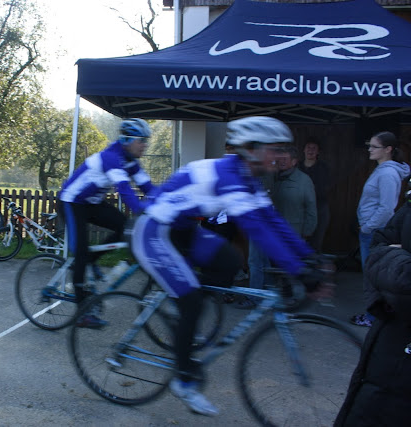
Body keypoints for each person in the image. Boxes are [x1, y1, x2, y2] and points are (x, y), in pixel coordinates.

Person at [131, 116, 330, 416]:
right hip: (154, 231)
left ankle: (185, 305)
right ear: (251, 149)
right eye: (274, 148)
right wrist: (299, 270)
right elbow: (258, 230)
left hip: (182, 229)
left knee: (230, 260)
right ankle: (183, 381)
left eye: (281, 149)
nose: (279, 155)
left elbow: (274, 221)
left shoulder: (248, 178)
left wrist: (307, 257)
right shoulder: (229, 177)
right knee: (191, 301)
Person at [59, 118, 156, 328]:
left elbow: (149, 189)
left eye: (146, 141)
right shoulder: (111, 158)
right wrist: (144, 212)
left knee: (126, 227)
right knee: (81, 252)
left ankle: (90, 260)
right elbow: (125, 191)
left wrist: (168, 206)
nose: (145, 145)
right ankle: (82, 311)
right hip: (72, 202)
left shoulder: (131, 161)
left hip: (92, 202)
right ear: (127, 140)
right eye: (142, 140)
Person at [334, 188, 411, 426]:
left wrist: (389, 259)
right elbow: (380, 244)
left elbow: (403, 278)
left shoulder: (387, 174)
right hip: (388, 342)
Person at [239, 144, 318, 309]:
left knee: (284, 266)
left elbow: (311, 208)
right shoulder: (270, 175)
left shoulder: (303, 180)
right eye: (279, 158)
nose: (280, 161)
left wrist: (307, 232)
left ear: (294, 161)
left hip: (290, 230)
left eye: (285, 159)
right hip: (266, 228)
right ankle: (260, 296)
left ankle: (281, 298)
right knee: (260, 262)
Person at [351, 131, 410, 327]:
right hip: (371, 229)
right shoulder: (383, 170)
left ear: (388, 149)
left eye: (374, 146)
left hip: (374, 231)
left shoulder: (388, 173)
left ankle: (374, 318)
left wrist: (367, 227)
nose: (369, 149)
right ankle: (374, 317)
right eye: (369, 145)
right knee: (371, 275)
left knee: (373, 277)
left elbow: (386, 208)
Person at [298, 137, 331, 251]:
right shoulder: (297, 167)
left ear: (318, 152)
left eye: (314, 148)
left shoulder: (323, 168)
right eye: (308, 147)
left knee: (316, 242)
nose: (310, 150)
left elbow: (323, 188)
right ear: (304, 150)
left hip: (319, 208)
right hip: (299, 209)